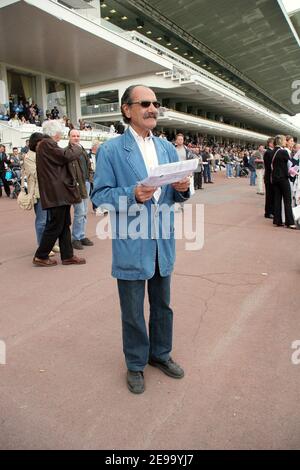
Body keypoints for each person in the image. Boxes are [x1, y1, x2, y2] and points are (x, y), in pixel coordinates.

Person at [92, 85, 190, 394]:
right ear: (127, 110)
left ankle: (160, 354)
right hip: (132, 243)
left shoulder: (165, 147)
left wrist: (183, 188)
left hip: (163, 241)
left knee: (163, 305)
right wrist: (132, 194)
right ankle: (135, 364)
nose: (152, 108)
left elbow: (173, 196)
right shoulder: (110, 150)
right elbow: (100, 198)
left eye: (155, 104)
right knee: (133, 311)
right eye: (144, 103)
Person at [33, 120, 87, 266]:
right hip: (57, 192)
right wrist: (77, 147)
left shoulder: (45, 144)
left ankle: (67, 255)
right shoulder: (47, 144)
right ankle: (41, 255)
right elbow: (65, 156)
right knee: (56, 224)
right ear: (55, 132)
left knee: (63, 224)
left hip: (58, 191)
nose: (61, 134)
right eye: (60, 132)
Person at [68, 129, 94, 250]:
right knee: (80, 212)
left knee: (84, 213)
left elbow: (88, 165)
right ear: (69, 137)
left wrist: (90, 176)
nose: (76, 137)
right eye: (73, 136)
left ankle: (81, 235)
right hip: (76, 185)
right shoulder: (67, 151)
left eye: (78, 135)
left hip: (86, 183)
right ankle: (76, 238)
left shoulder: (82, 150)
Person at [271, 135, 296, 229]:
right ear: (281, 141)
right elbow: (291, 163)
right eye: (285, 140)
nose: (286, 141)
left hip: (275, 178)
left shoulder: (272, 151)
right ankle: (290, 222)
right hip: (283, 178)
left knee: (277, 199)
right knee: (287, 200)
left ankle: (277, 221)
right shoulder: (283, 151)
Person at [263, 138, 274, 218]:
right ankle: (268, 212)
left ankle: (271, 211)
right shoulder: (268, 152)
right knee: (269, 195)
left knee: (271, 195)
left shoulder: (271, 152)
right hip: (268, 176)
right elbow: (269, 165)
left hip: (270, 176)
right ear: (270, 143)